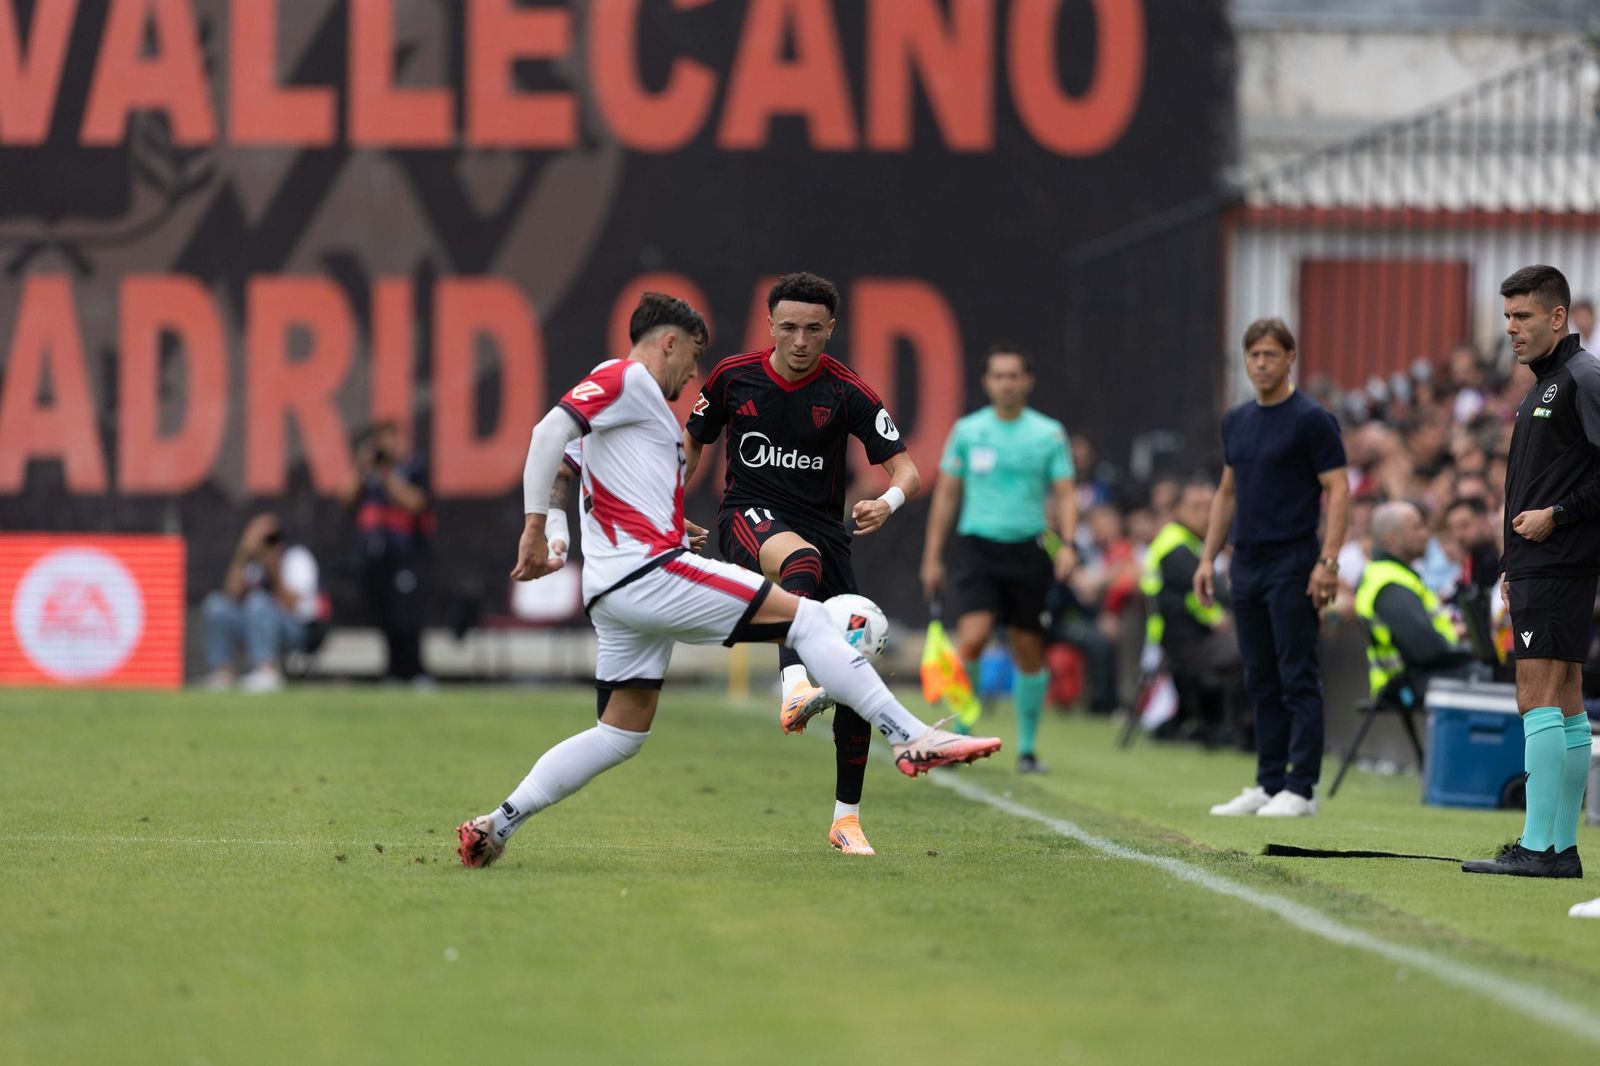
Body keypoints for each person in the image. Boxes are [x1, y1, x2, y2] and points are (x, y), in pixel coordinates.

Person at [455, 294, 1000, 868]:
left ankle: (497, 824)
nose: (694, 374)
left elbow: (567, 464)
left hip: (613, 593)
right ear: (669, 342)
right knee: (809, 618)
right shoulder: (628, 380)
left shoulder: (628, 405)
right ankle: (908, 734)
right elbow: (547, 433)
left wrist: (561, 532)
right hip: (648, 574)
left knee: (620, 734)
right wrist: (534, 528)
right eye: (692, 357)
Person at [682, 272, 919, 857]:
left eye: (813, 329)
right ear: (770, 325)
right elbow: (692, 443)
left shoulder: (846, 390)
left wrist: (887, 503)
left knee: (856, 668)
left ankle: (846, 821)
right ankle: (792, 684)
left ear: (831, 328)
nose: (800, 340)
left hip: (824, 533)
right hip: (749, 516)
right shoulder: (732, 377)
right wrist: (667, 512)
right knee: (801, 561)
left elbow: (906, 469)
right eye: (788, 327)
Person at [1462, 265, 1597, 881]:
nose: (1511, 329)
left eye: (1523, 316)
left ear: (1558, 317)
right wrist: (1512, 562)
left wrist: (1558, 516)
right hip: (1544, 563)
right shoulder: (1547, 384)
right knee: (1565, 701)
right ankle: (1560, 848)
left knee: (1535, 697)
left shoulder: (1582, 378)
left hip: (1559, 559)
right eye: (1507, 317)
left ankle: (1539, 847)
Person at [1196, 318, 1349, 818]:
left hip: (1293, 559)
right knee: (1259, 677)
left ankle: (1301, 788)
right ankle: (1268, 783)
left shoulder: (1312, 419)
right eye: (1254, 355)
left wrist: (1328, 561)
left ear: (1290, 358)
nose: (1261, 363)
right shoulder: (1236, 420)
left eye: (1270, 354)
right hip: (1246, 561)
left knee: (1296, 674)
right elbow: (1227, 493)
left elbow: (1338, 490)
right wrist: (1207, 558)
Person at [920, 344, 1077, 773]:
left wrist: (1068, 543)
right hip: (978, 547)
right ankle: (961, 731)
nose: (1006, 383)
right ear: (986, 382)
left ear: (1028, 381)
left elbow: (1065, 493)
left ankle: (1027, 750)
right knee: (973, 636)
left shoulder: (1048, 434)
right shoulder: (968, 431)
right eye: (999, 376)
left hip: (1029, 548)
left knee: (1028, 649)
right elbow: (946, 495)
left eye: (1014, 375)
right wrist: (932, 557)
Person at [1140, 480, 1243, 743]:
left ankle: (1219, 724)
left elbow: (1195, 598)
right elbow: (1216, 590)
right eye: (1196, 507)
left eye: (1209, 508)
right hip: (1181, 641)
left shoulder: (1188, 541)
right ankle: (1238, 729)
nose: (1204, 515)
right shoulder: (1175, 546)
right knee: (1255, 649)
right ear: (1177, 510)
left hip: (1191, 637)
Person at [1354, 502, 1477, 705]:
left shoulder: (1391, 574)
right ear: (1393, 539)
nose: (1425, 534)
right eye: (1417, 527)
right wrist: (1470, 652)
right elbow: (1428, 648)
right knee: (1492, 674)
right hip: (1411, 682)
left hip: (1420, 677)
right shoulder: (1389, 584)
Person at [343, 419, 432, 683]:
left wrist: (385, 474)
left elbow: (416, 503)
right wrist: (361, 466)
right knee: (383, 615)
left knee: (406, 613)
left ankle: (415, 671)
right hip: (374, 555)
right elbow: (345, 497)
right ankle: (393, 671)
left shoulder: (413, 468)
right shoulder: (366, 473)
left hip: (404, 553)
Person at [201, 513, 320, 692]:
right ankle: (222, 673)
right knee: (216, 605)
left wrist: (274, 568)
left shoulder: (297, 557)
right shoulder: (253, 563)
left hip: (294, 628)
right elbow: (231, 594)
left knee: (258, 602)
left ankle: (267, 671)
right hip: (255, 625)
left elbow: (293, 606)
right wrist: (243, 553)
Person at [1442, 495, 1502, 664]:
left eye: (1465, 525)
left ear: (1485, 521)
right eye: (1453, 529)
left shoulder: (1495, 560)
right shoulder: (1471, 561)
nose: (1459, 535)